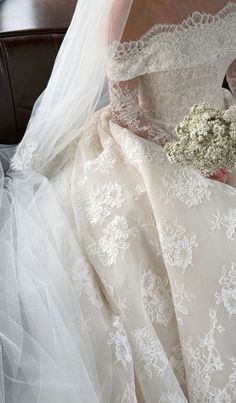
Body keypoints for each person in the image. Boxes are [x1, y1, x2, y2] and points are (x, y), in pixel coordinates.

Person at [0, 0, 236, 402]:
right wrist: (194, 156)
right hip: (149, 143)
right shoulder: (127, 8)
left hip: (222, 136)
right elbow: (126, 111)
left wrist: (228, 139)